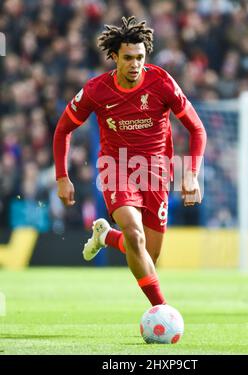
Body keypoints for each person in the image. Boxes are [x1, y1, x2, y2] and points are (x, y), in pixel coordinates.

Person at [53, 16, 207, 306]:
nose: (134, 64)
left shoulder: (161, 82)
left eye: (139, 57)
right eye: (127, 58)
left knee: (148, 253)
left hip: (156, 173)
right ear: (114, 57)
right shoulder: (96, 90)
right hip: (117, 168)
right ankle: (162, 311)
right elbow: (63, 129)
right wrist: (62, 177)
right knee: (135, 236)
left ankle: (106, 237)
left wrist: (191, 174)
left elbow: (197, 128)